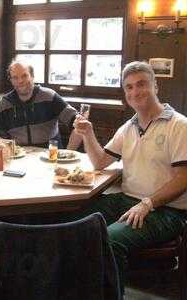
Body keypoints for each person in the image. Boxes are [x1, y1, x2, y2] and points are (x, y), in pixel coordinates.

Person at [73, 61, 187, 293]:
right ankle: (84, 289)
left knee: (111, 239)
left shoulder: (180, 125)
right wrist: (88, 134)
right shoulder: (129, 126)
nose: (135, 92)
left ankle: (112, 294)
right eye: (129, 87)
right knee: (74, 219)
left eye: (142, 84)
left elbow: (183, 178)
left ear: (156, 86)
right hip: (128, 199)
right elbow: (100, 162)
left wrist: (147, 204)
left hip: (168, 210)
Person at [0, 60, 82, 149]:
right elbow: (1, 138)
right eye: (15, 77)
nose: (20, 81)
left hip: (51, 157)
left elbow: (78, 123)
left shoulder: (49, 96)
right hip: (20, 158)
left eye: (24, 75)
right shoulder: (4, 104)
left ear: (32, 76)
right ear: (11, 80)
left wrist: (68, 152)